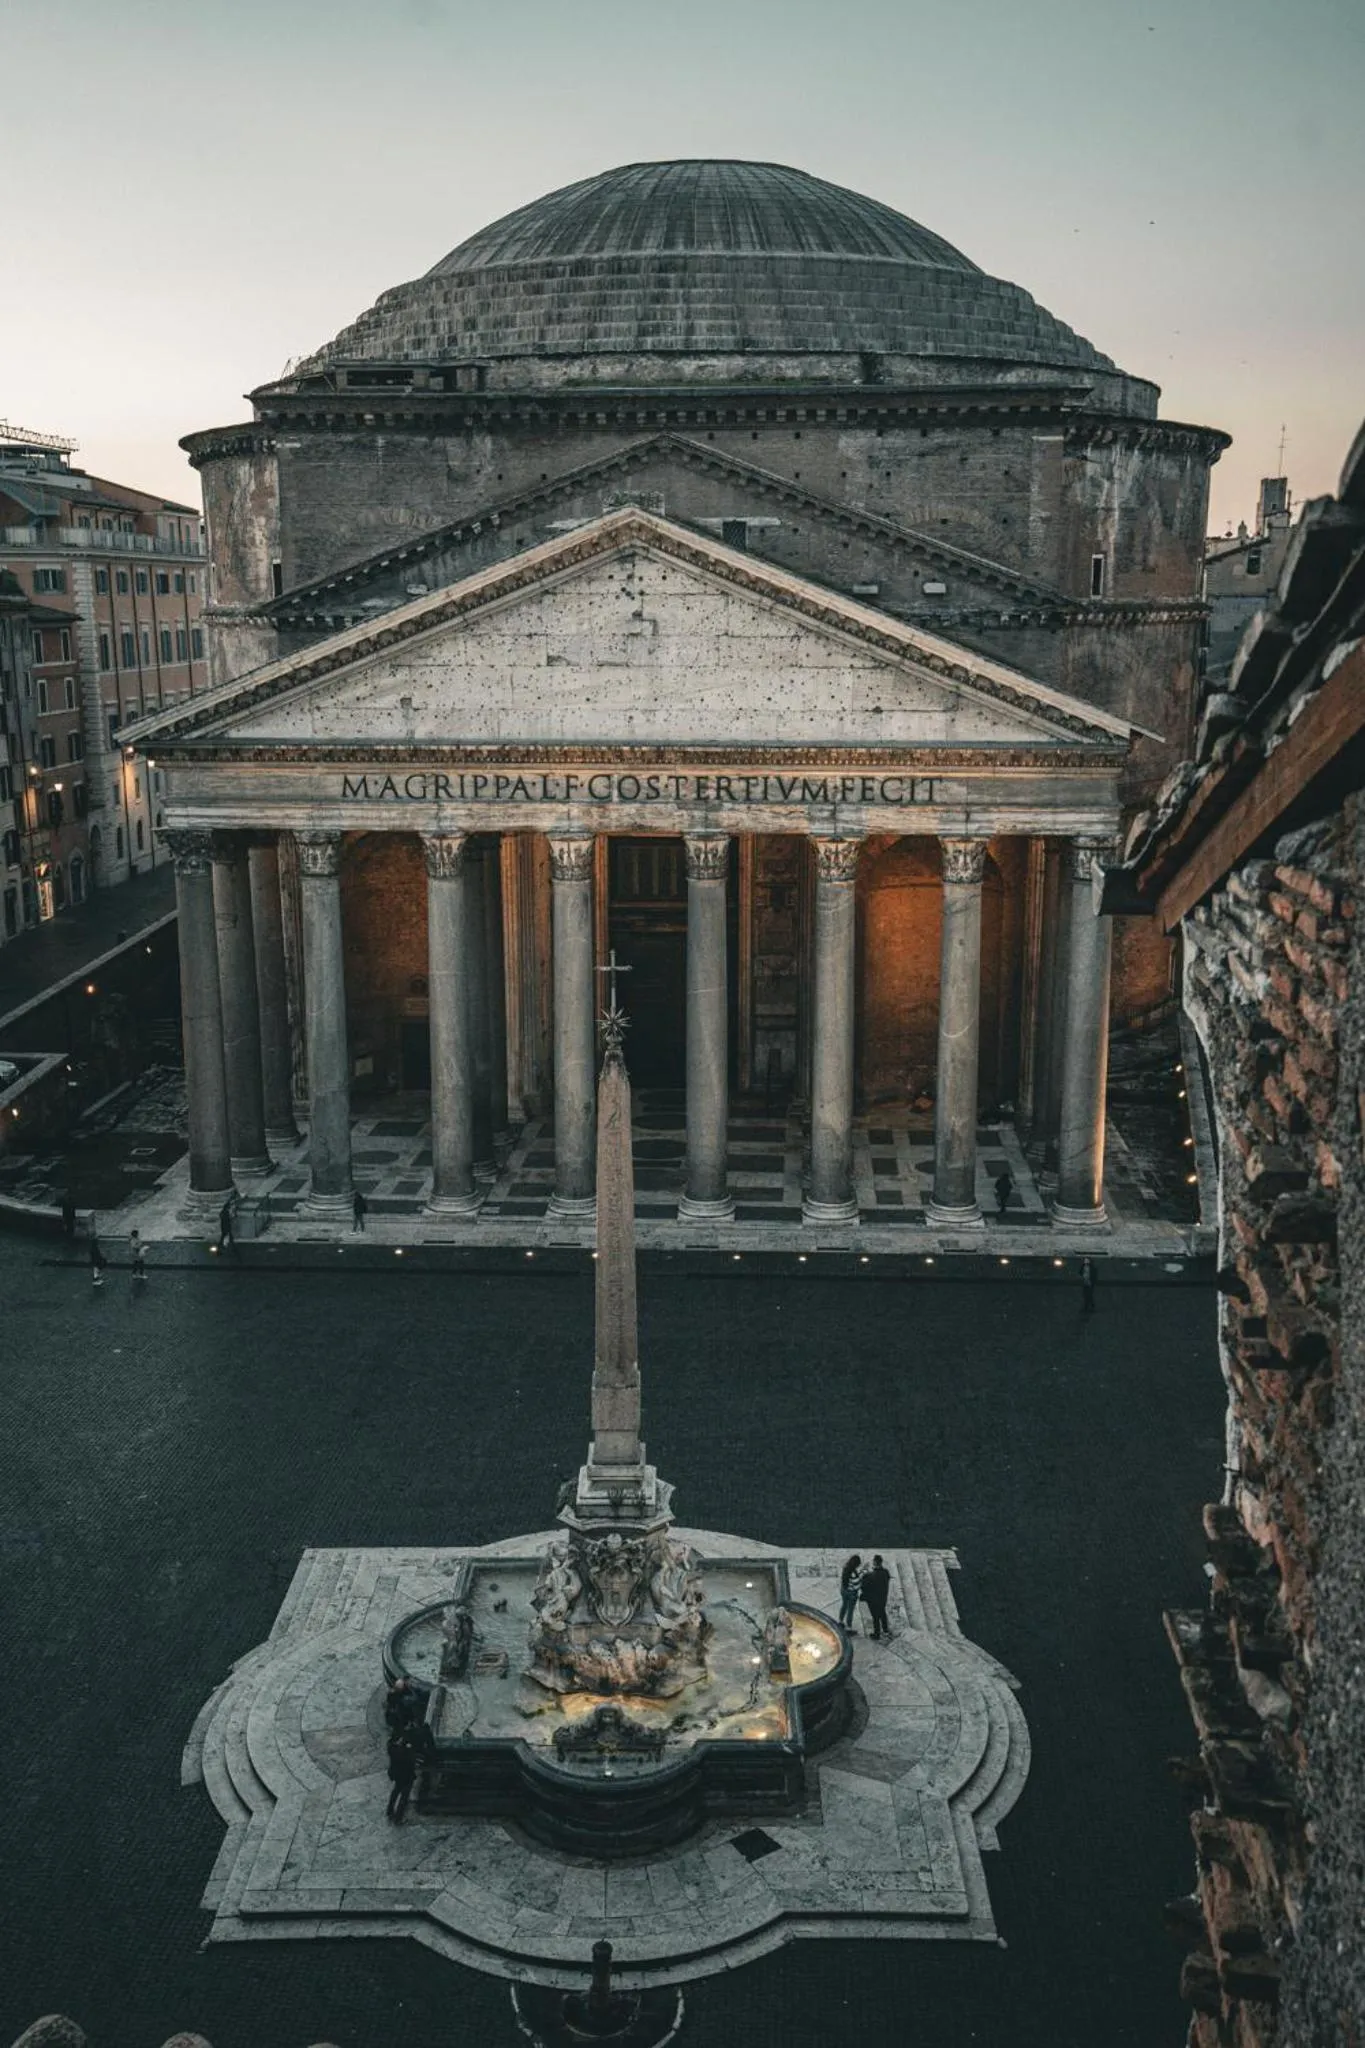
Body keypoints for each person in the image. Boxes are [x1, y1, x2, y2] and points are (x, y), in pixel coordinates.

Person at [386, 1727, 419, 1821]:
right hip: (406, 1774)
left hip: (397, 1774)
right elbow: (409, 1759)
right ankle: (399, 1816)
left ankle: (390, 1810)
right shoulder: (402, 1750)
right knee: (404, 1794)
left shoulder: (391, 1747)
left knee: (396, 1791)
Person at [860, 1555, 893, 1641]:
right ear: (881, 1562)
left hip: (873, 1600)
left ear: (874, 1562)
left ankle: (877, 1634)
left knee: (875, 1617)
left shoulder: (870, 1576)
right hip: (883, 1598)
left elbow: (863, 1586)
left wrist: (865, 1573)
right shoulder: (886, 1572)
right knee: (882, 1613)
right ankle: (885, 1630)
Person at [838, 1555, 863, 1631]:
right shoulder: (853, 1574)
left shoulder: (845, 1568)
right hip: (851, 1594)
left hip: (844, 1590)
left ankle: (840, 1621)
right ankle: (849, 1627)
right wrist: (861, 1576)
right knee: (850, 1610)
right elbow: (856, 1586)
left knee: (844, 1605)